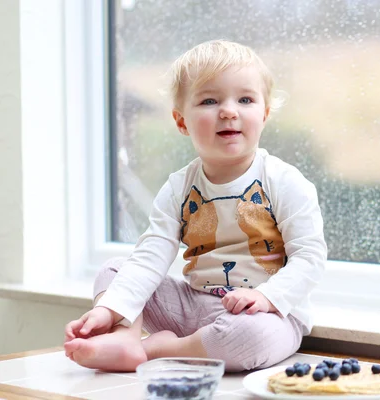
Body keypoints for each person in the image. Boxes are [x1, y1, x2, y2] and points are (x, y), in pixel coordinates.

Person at [64, 40, 327, 373]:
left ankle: (162, 350)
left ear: (264, 113)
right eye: (209, 100)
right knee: (114, 270)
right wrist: (109, 310)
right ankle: (124, 337)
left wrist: (269, 298)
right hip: (192, 305)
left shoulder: (284, 181)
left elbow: (310, 257)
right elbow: (151, 255)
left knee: (253, 336)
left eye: (245, 99)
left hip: (265, 315)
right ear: (181, 121)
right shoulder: (179, 187)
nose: (229, 110)